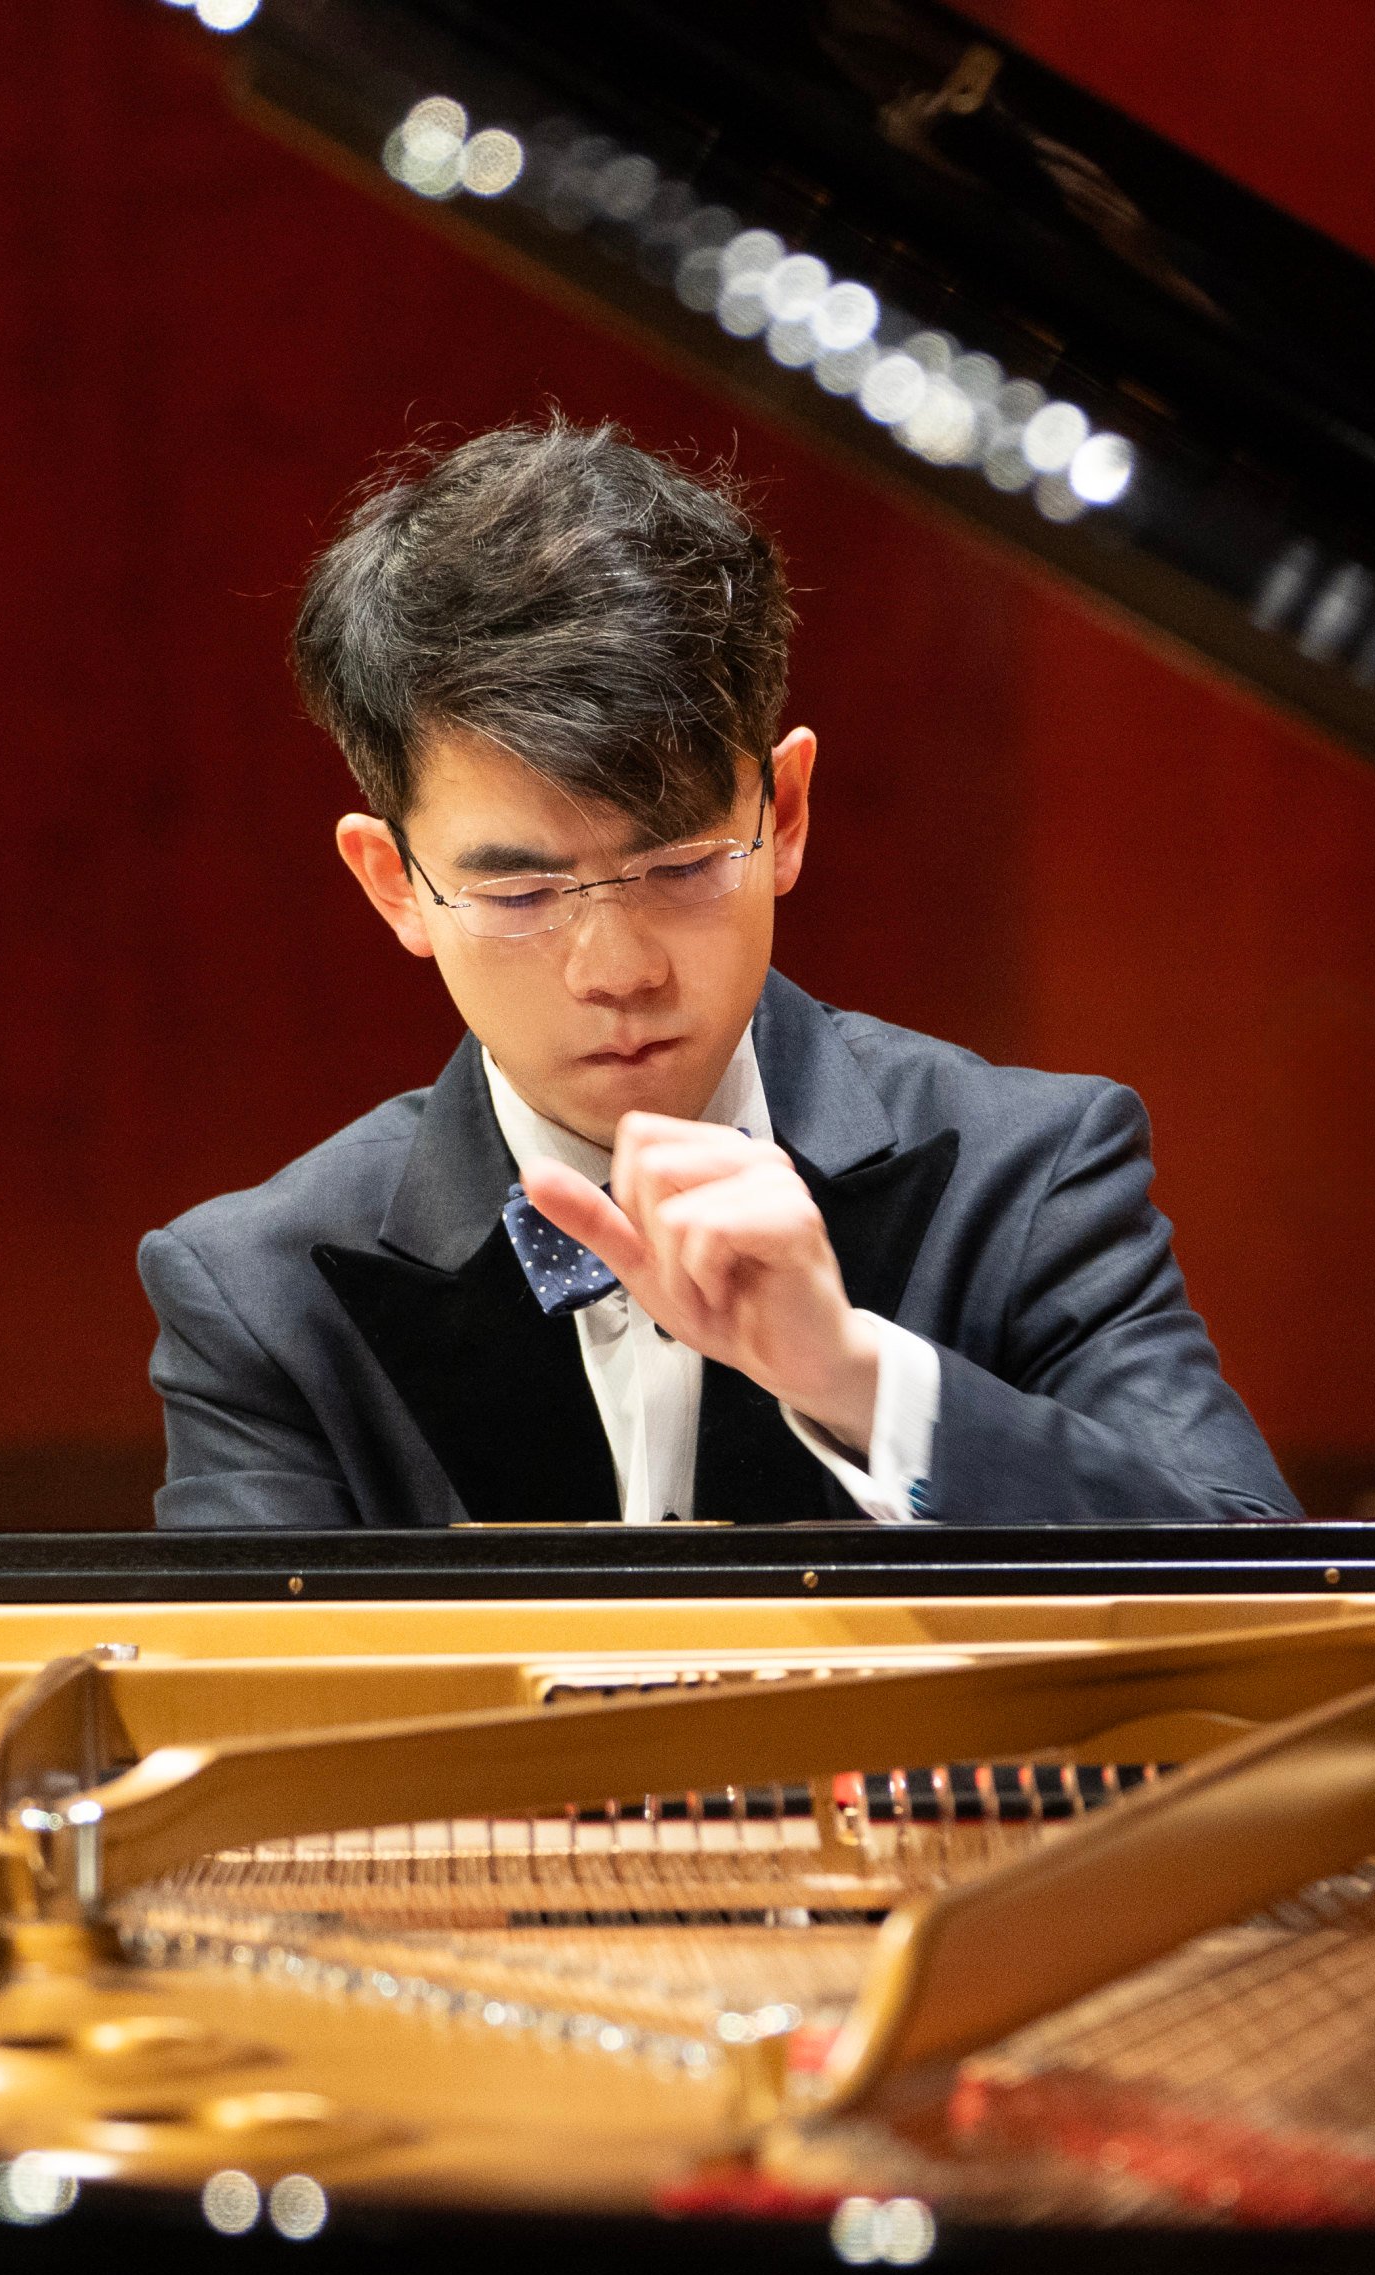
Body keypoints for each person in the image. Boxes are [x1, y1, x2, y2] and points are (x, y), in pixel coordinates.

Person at [139, 419, 1294, 1529]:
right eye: (521, 894)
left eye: (682, 864)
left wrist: (855, 1379)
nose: (619, 970)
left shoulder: (1029, 1178)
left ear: (783, 813)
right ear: (393, 884)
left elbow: (1269, 1595)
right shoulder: (261, 1293)